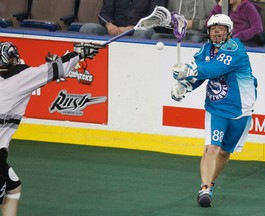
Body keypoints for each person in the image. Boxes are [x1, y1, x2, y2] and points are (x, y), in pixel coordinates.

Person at [0, 41, 100, 215]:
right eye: (12, 57)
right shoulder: (19, 78)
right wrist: (80, 54)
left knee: (13, 187)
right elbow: (57, 70)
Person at [171, 14, 257, 207]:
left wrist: (189, 69)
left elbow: (213, 69)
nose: (217, 33)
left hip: (241, 110)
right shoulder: (204, 51)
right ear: (208, 33)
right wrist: (185, 86)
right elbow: (200, 76)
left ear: (229, 32)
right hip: (215, 108)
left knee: (225, 153)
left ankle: (210, 181)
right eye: (213, 30)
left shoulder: (236, 49)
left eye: (222, 30)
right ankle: (204, 189)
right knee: (211, 148)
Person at [80, 0, 166, 39]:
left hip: (140, 29)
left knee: (141, 32)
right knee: (88, 28)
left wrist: (131, 29)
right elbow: (104, 13)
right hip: (115, 29)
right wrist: (109, 25)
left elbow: (155, 18)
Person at [151, 0, 217, 42]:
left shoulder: (208, 1)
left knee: (194, 39)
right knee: (156, 37)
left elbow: (215, 21)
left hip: (196, 34)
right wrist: (171, 22)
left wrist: (193, 24)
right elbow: (168, 18)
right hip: (175, 34)